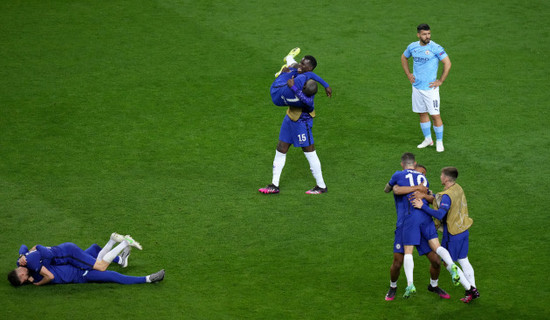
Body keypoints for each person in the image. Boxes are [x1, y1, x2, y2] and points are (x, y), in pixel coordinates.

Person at [385, 153, 462, 298]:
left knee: (436, 261)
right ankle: (393, 286)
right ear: (414, 167)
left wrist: (425, 193)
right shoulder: (402, 183)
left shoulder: (423, 186)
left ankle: (433, 286)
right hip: (404, 225)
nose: (422, 176)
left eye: (424, 175)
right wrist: (417, 188)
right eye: (420, 172)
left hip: (422, 221)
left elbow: (432, 198)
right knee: (397, 262)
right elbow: (395, 190)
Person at [259, 48, 332, 195]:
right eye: (301, 62)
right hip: (290, 119)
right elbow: (311, 75)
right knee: (281, 148)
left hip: (302, 124)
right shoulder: (303, 74)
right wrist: (326, 84)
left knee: (310, 152)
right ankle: (274, 185)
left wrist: (292, 86)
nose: (301, 65)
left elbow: (305, 100)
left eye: (304, 64)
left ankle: (321, 186)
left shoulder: (308, 97)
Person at [411, 167, 480, 303]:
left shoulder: (446, 196)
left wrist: (422, 206)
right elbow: (442, 200)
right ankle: (474, 289)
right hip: (463, 229)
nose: (440, 177)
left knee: (448, 263)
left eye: (442, 175)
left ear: (446, 179)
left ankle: (470, 290)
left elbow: (441, 213)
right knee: (463, 260)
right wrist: (427, 195)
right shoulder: (458, 188)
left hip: (453, 234)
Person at [10, 233, 142, 286]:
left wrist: (38, 283)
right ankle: (121, 260)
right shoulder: (21, 260)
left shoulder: (32, 264)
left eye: (23, 280)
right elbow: (25, 247)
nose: (25, 280)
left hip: (69, 254)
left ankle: (122, 243)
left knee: (101, 266)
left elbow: (49, 276)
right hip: (65, 252)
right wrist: (24, 254)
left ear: (21, 274)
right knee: (94, 249)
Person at [401, 24, 452, 152]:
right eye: (424, 34)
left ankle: (439, 142)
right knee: (422, 113)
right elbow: (403, 57)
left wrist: (440, 80)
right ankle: (428, 139)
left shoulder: (435, 47)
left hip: (430, 90)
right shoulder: (413, 47)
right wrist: (408, 74)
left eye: (429, 34)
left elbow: (447, 63)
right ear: (418, 35)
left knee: (435, 115)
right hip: (417, 87)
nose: (427, 36)